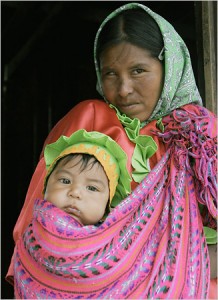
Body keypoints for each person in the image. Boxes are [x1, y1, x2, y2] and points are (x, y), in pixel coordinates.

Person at [7, 2, 217, 299]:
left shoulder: (200, 139)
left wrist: (176, 269)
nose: (124, 89)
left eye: (138, 70)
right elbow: (40, 226)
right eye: (110, 74)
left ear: (169, 66)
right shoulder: (89, 120)